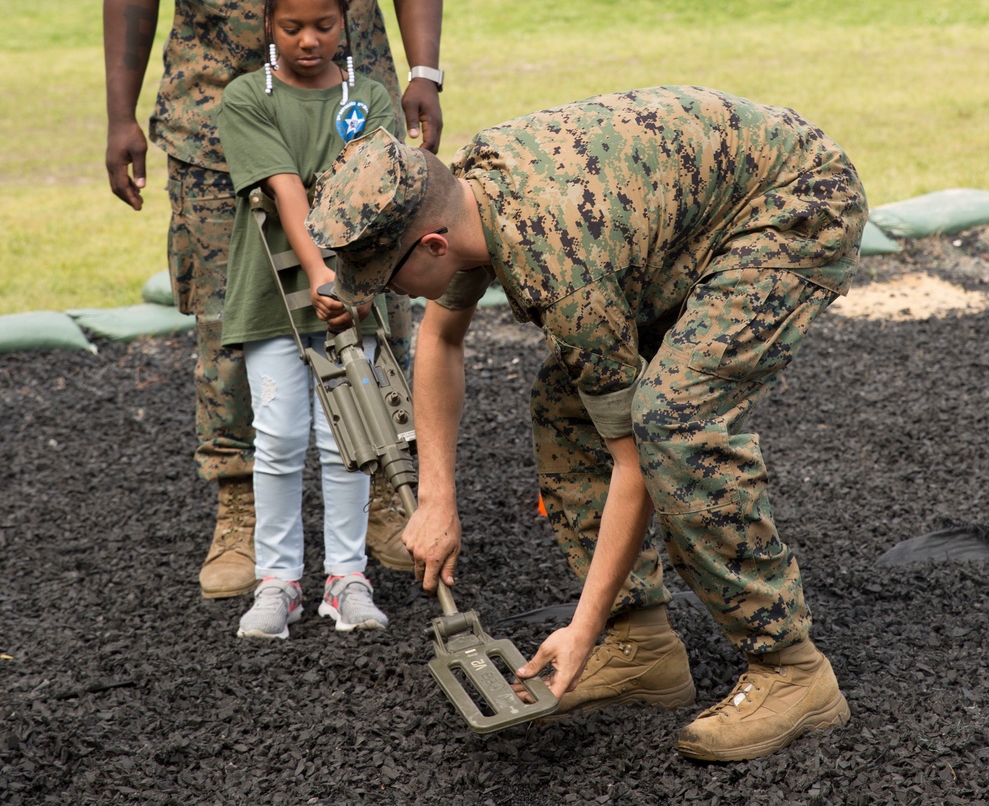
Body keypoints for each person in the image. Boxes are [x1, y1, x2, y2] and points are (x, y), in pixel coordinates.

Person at [306, 88, 867, 763]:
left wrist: (580, 625)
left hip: (793, 206)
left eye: (389, 279)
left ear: (430, 245)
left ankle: (791, 669)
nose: (388, 294)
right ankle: (644, 647)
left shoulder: (562, 267)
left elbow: (634, 462)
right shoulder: (463, 199)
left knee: (673, 418)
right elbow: (441, 342)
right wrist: (437, 497)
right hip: (685, 217)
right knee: (566, 402)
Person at [101, 0, 445, 601]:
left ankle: (385, 488)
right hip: (218, 123)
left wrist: (424, 69)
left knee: (371, 297)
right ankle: (240, 506)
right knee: (228, 316)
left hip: (353, 122)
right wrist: (120, 115)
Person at [217, 0, 393, 640]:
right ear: (268, 22)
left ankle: (346, 581)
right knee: (281, 437)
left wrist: (348, 285)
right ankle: (278, 585)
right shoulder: (245, 98)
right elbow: (288, 194)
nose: (309, 40)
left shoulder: (370, 98)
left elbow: (373, 196)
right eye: (292, 27)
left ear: (345, 20)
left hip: (353, 299)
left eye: (323, 24)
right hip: (272, 299)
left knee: (352, 439)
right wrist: (322, 272)